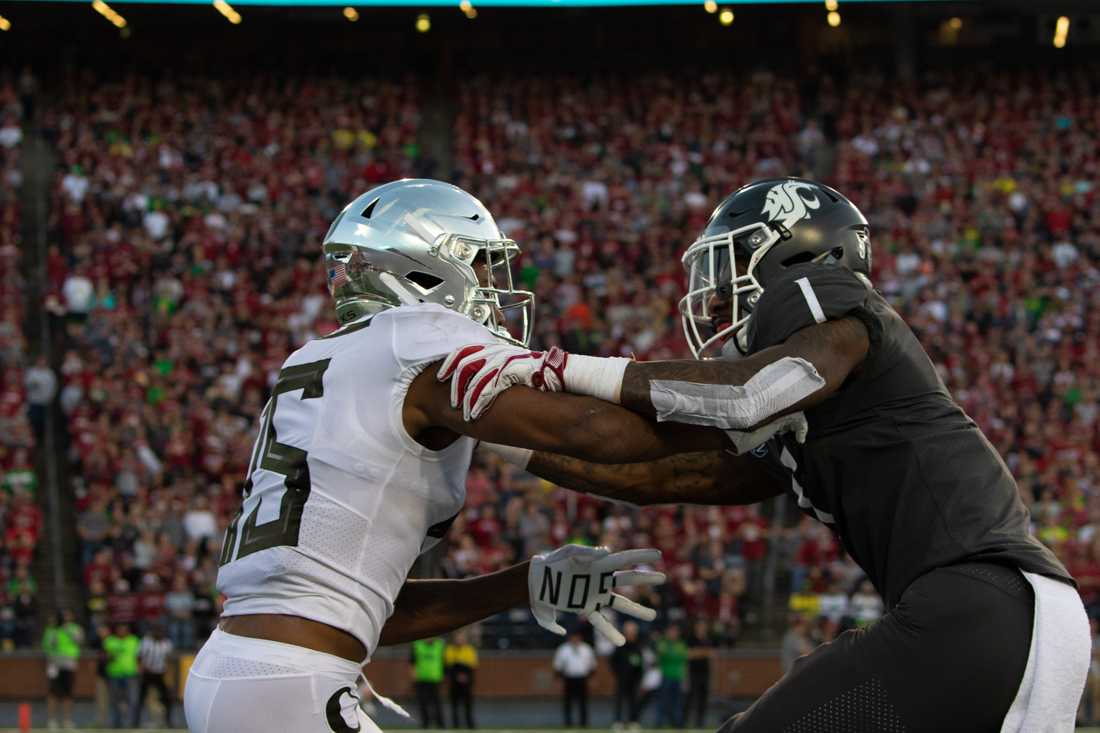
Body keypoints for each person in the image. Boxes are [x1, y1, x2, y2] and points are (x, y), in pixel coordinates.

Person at [441, 177, 1090, 732]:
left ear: (785, 256)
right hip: (1028, 616)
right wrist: (493, 432)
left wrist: (556, 367)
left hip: (978, 605)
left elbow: (753, 391)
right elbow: (658, 473)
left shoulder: (824, 302)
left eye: (729, 268)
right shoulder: (811, 410)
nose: (716, 298)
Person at [183, 179, 677, 733]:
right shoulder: (414, 336)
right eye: (482, 265)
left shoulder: (323, 360)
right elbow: (599, 436)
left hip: (239, 668)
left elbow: (370, 610)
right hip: (291, 687)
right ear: (421, 271)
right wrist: (741, 403)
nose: (493, 286)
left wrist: (525, 583)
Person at [42, 610, 83, 731]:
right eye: (63, 616)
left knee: (68, 693)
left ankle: (67, 721)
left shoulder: (75, 628)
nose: (65, 618)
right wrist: (54, 636)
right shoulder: (51, 630)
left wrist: (67, 630)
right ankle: (52, 721)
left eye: (67, 615)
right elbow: (46, 645)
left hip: (69, 663)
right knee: (52, 693)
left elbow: (79, 641)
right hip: (54, 664)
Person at [553, 630, 596, 728]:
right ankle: (568, 723)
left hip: (582, 678)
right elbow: (558, 666)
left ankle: (583, 724)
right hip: (569, 678)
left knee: (583, 702)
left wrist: (592, 679)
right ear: (570, 638)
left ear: (580, 638)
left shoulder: (586, 649)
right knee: (567, 702)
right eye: (573, 637)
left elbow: (592, 665)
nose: (575, 639)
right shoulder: (563, 649)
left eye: (577, 637)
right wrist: (558, 680)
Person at [136, 623, 175, 728]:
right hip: (147, 673)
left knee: (166, 698)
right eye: (156, 631)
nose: (158, 633)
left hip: (160, 673)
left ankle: (168, 721)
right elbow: (139, 657)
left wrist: (168, 677)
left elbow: (168, 660)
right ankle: (135, 721)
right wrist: (140, 671)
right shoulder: (145, 642)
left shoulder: (167, 643)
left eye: (160, 631)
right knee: (140, 698)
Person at [103, 623, 140, 729]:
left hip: (130, 674)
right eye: (120, 629)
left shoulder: (134, 640)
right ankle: (116, 723)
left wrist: (139, 668)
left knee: (133, 699)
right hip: (114, 674)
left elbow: (139, 656)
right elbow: (105, 657)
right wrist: (109, 657)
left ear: (128, 630)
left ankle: (131, 723)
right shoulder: (110, 641)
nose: (122, 631)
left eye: (124, 629)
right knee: (114, 700)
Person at [609, 621, 644, 730]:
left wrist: (639, 676)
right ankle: (618, 722)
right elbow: (613, 661)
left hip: (634, 679)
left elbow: (640, 662)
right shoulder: (620, 645)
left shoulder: (638, 645)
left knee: (634, 701)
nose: (631, 634)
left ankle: (633, 722)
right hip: (622, 678)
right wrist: (618, 673)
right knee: (619, 701)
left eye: (632, 632)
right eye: (628, 632)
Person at [445, 628, 478, 729]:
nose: (460, 639)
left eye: (462, 637)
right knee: (454, 707)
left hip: (466, 684)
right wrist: (456, 676)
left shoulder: (470, 650)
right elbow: (448, 667)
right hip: (454, 683)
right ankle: (456, 727)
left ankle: (470, 727)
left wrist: (465, 677)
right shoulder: (449, 650)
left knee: (468, 707)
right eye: (458, 637)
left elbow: (473, 667)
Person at [655, 625, 687, 728]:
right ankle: (659, 723)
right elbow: (661, 655)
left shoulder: (681, 644)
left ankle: (677, 724)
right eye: (671, 632)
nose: (673, 634)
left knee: (677, 703)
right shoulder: (663, 643)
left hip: (678, 676)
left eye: (675, 632)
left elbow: (683, 660)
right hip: (666, 676)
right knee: (663, 701)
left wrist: (685, 677)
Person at [684, 619, 714, 728]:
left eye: (704, 626)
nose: (702, 629)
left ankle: (699, 724)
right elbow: (689, 654)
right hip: (693, 673)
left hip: (705, 673)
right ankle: (684, 723)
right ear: (696, 627)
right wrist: (703, 652)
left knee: (703, 699)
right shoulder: (691, 639)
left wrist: (699, 652)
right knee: (690, 699)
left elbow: (711, 654)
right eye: (700, 626)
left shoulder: (708, 640)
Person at [411, 637, 446, 728]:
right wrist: (413, 675)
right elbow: (412, 662)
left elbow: (444, 662)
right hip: (422, 680)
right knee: (423, 703)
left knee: (437, 703)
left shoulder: (440, 645)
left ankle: (440, 724)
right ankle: (425, 724)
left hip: (435, 680)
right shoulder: (417, 645)